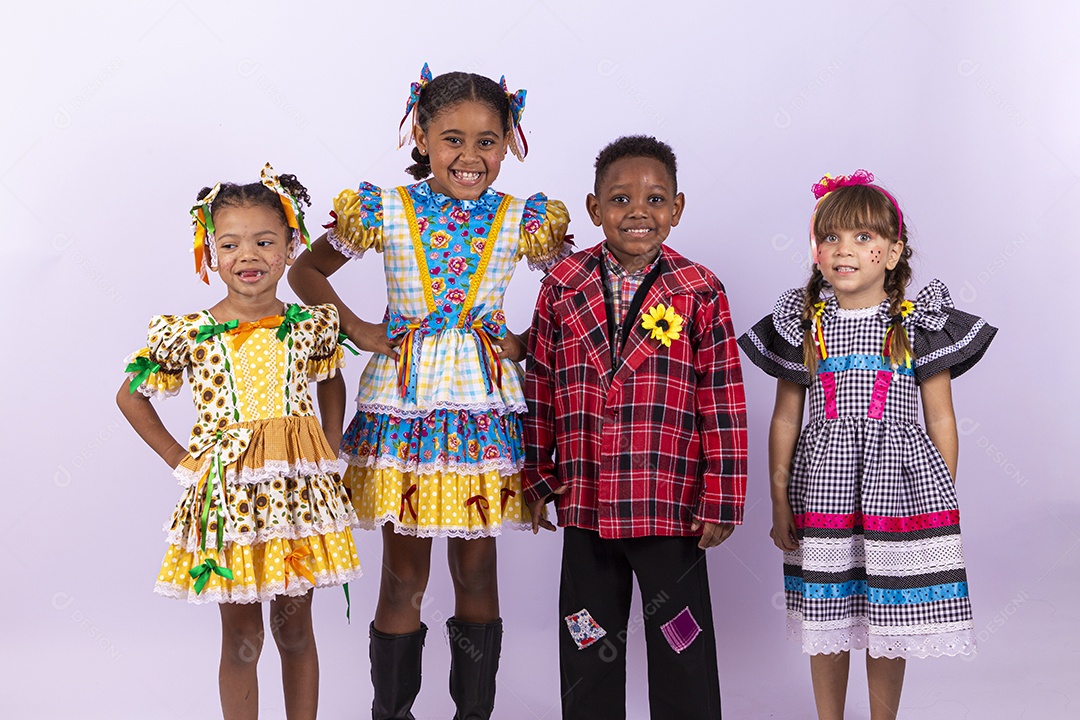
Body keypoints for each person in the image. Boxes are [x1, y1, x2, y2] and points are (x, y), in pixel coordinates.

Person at [288, 64, 571, 720]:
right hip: (404, 408)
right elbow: (306, 269)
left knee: (476, 572)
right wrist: (356, 325)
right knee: (403, 577)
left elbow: (571, 287)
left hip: (481, 410)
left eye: (486, 142)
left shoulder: (522, 219)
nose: (469, 157)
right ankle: (393, 713)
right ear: (420, 136)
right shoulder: (384, 209)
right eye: (452, 139)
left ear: (508, 143)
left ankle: (474, 714)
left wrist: (528, 341)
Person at [738, 170, 997, 720]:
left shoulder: (916, 322)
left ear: (893, 250)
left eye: (862, 237)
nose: (844, 250)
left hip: (900, 491)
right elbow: (786, 420)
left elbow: (941, 417)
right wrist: (780, 500)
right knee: (828, 613)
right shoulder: (804, 325)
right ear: (815, 251)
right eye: (830, 237)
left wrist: (941, 495)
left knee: (890, 617)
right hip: (824, 490)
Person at [116, 164, 362, 720]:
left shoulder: (310, 326)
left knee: (296, 628)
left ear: (289, 247)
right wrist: (183, 460)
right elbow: (131, 396)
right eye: (229, 244)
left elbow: (331, 378)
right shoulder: (191, 333)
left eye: (264, 242)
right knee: (243, 635)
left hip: (297, 495)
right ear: (210, 250)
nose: (247, 256)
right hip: (230, 497)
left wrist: (328, 443)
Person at [523, 135, 747, 720]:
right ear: (595, 210)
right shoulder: (562, 286)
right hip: (585, 494)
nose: (638, 212)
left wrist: (721, 497)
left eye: (654, 198)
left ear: (677, 208)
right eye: (620, 199)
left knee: (681, 640)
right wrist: (537, 477)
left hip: (669, 502)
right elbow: (539, 385)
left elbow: (722, 400)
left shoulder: (699, 290)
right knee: (588, 637)